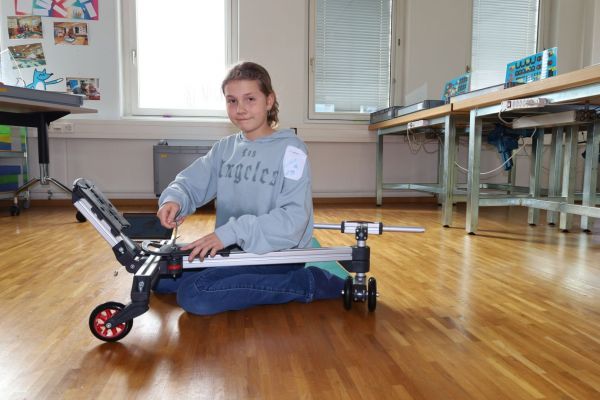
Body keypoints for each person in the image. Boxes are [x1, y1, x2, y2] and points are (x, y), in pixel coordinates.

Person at [156, 61, 344, 315]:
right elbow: (190, 182)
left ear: (269, 101)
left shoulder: (292, 150)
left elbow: (294, 218)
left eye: (250, 99)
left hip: (277, 254)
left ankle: (309, 282)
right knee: (159, 276)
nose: (240, 109)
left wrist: (233, 232)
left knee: (195, 295)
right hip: (233, 248)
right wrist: (175, 199)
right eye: (232, 100)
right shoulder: (225, 148)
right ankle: (223, 279)